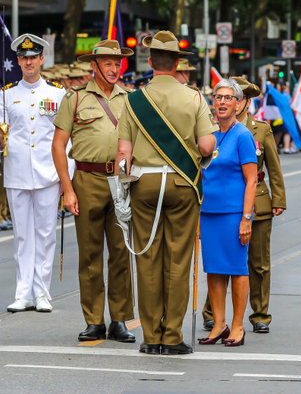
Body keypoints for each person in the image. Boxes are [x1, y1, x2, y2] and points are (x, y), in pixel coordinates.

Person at [116, 30, 218, 355]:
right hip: (180, 184)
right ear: (176, 63)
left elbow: (123, 156)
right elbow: (206, 145)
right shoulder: (195, 98)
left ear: (151, 62)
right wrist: (201, 157)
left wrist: (121, 192)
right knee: (178, 260)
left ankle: (151, 337)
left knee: (147, 259)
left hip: (144, 184)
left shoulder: (133, 100)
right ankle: (172, 337)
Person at [52, 39, 135, 342]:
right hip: (86, 180)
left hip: (121, 182)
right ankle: (94, 320)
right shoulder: (74, 99)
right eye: (109, 63)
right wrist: (67, 189)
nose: (115, 69)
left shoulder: (130, 98)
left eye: (118, 63)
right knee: (89, 254)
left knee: (121, 253)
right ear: (95, 66)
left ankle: (120, 319)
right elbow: (58, 145)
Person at [202, 76, 286, 334]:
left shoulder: (257, 130)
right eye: (220, 98)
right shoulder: (211, 132)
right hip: (216, 208)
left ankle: (259, 314)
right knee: (218, 265)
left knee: (256, 263)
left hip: (253, 201)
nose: (227, 103)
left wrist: (278, 198)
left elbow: (272, 166)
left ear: (244, 102)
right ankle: (214, 317)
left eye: (233, 98)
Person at [0, 33, 65, 313]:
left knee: (46, 233)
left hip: (48, 172)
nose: (28, 62)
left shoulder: (57, 93)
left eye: (33, 57)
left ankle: (42, 292)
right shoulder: (6, 94)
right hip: (16, 172)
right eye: (23, 58)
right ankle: (23, 292)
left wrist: (67, 178)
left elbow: (66, 139)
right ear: (18, 61)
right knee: (23, 236)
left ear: (41, 59)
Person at [198, 78, 257, 347]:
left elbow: (252, 180)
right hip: (209, 212)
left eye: (227, 98)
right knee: (214, 269)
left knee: (236, 268)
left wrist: (246, 218)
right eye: (217, 97)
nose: (221, 102)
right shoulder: (209, 134)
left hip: (234, 213)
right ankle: (218, 324)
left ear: (237, 104)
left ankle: (237, 325)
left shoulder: (243, 135)